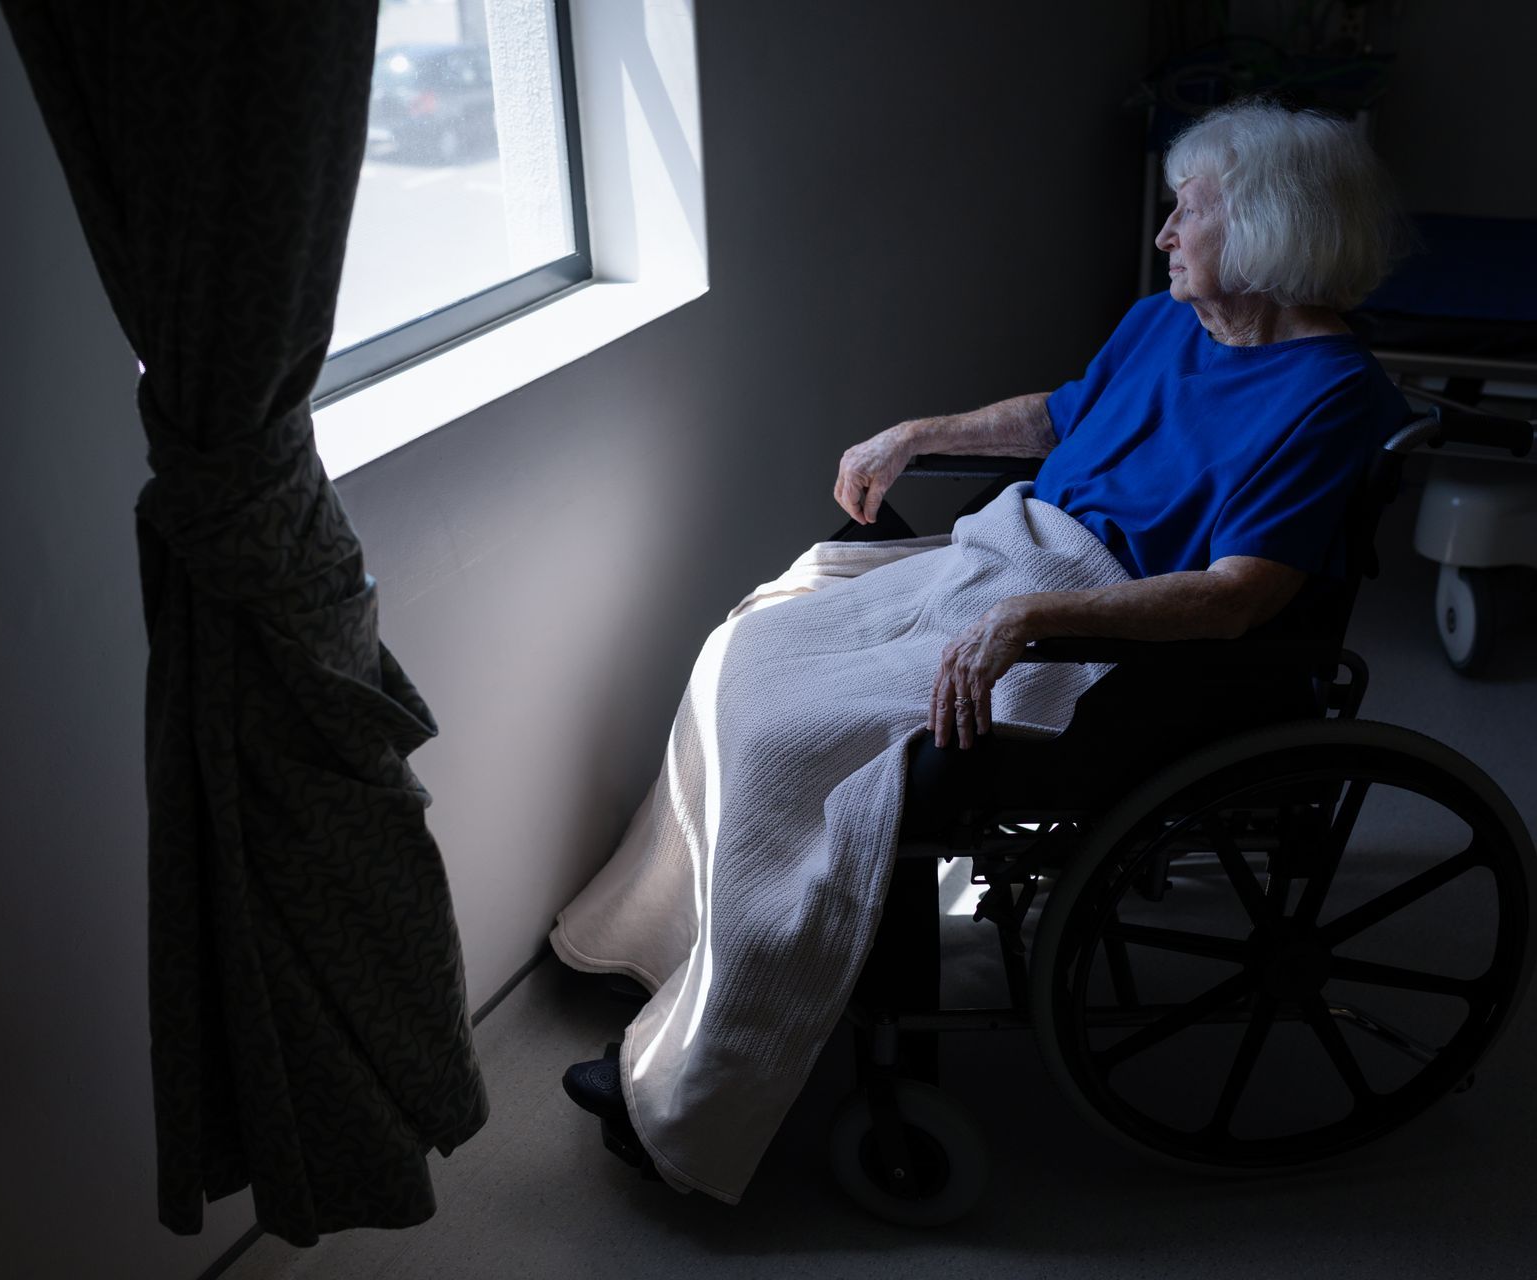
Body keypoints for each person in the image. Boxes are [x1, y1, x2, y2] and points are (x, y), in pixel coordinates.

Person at [551, 96, 1412, 1205]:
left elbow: (1239, 597)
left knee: (797, 741)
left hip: (1109, 637)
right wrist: (917, 432)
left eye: (1182, 214)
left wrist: (1030, 621)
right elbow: (1058, 418)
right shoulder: (1168, 323)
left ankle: (700, 1080)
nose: (1162, 237)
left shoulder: (1331, 397)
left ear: (1263, 230)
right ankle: (667, 946)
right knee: (744, 647)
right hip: (998, 556)